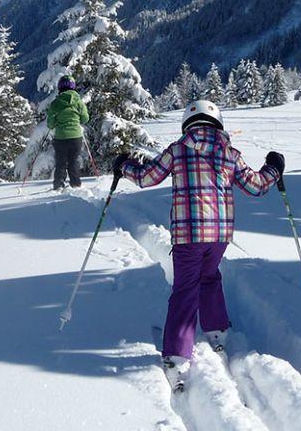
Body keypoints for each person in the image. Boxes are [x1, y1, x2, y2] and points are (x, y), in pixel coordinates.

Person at [112, 99, 284, 385]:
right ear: (217, 123)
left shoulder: (178, 150)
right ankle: (217, 330)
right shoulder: (230, 153)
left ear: (187, 124)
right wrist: (274, 168)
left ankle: (178, 356)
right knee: (209, 276)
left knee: (185, 289)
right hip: (219, 236)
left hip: (189, 234)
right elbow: (256, 186)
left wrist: (123, 165)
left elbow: (146, 178)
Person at [46, 75, 90, 190]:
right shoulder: (79, 102)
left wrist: (56, 122)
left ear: (60, 88)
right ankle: (76, 185)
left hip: (60, 138)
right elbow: (85, 119)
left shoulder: (55, 103)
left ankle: (58, 186)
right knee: (73, 162)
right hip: (76, 138)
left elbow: (50, 124)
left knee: (61, 163)